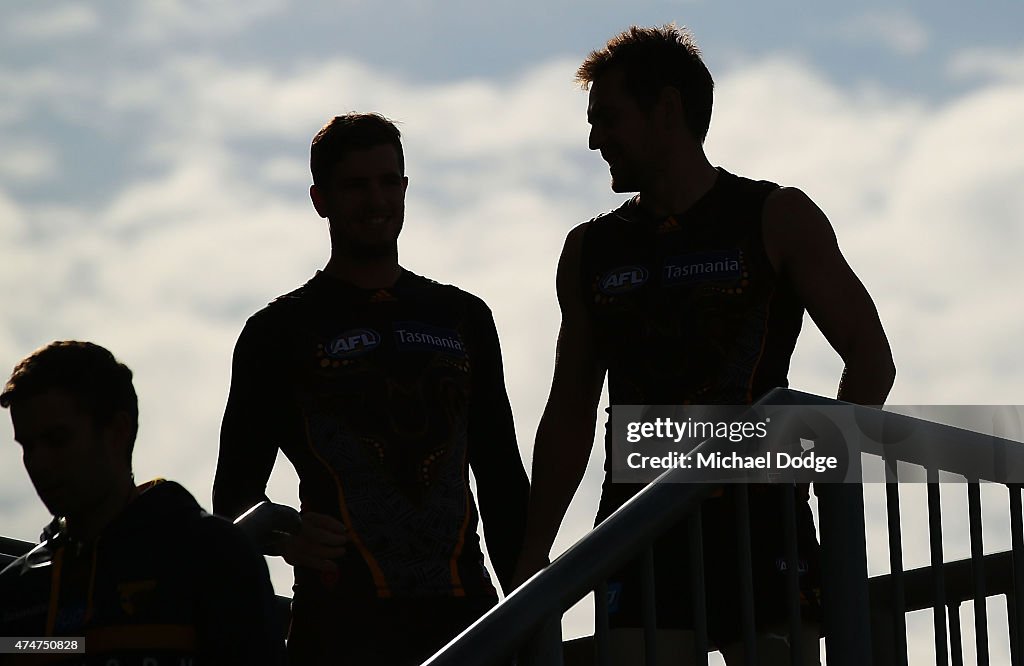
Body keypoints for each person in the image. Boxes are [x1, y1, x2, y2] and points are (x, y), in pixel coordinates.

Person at [513, 25, 897, 665]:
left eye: (607, 118)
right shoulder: (590, 249)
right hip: (636, 527)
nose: (593, 139)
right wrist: (534, 551)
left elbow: (871, 358)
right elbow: (569, 409)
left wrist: (811, 474)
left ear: (666, 109)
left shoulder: (775, 215)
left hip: (759, 521)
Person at [213, 112, 529, 665]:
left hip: (466, 614)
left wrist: (531, 608)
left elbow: (502, 480)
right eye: (355, 186)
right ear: (320, 199)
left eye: (388, 182)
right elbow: (233, 499)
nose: (375, 200)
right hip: (341, 624)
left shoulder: (463, 318)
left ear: (406, 189)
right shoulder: (278, 332)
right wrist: (286, 535)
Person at [0, 340, 282, 665]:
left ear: (117, 431)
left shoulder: (212, 557)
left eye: (57, 440)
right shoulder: (19, 591)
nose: (38, 463)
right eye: (27, 446)